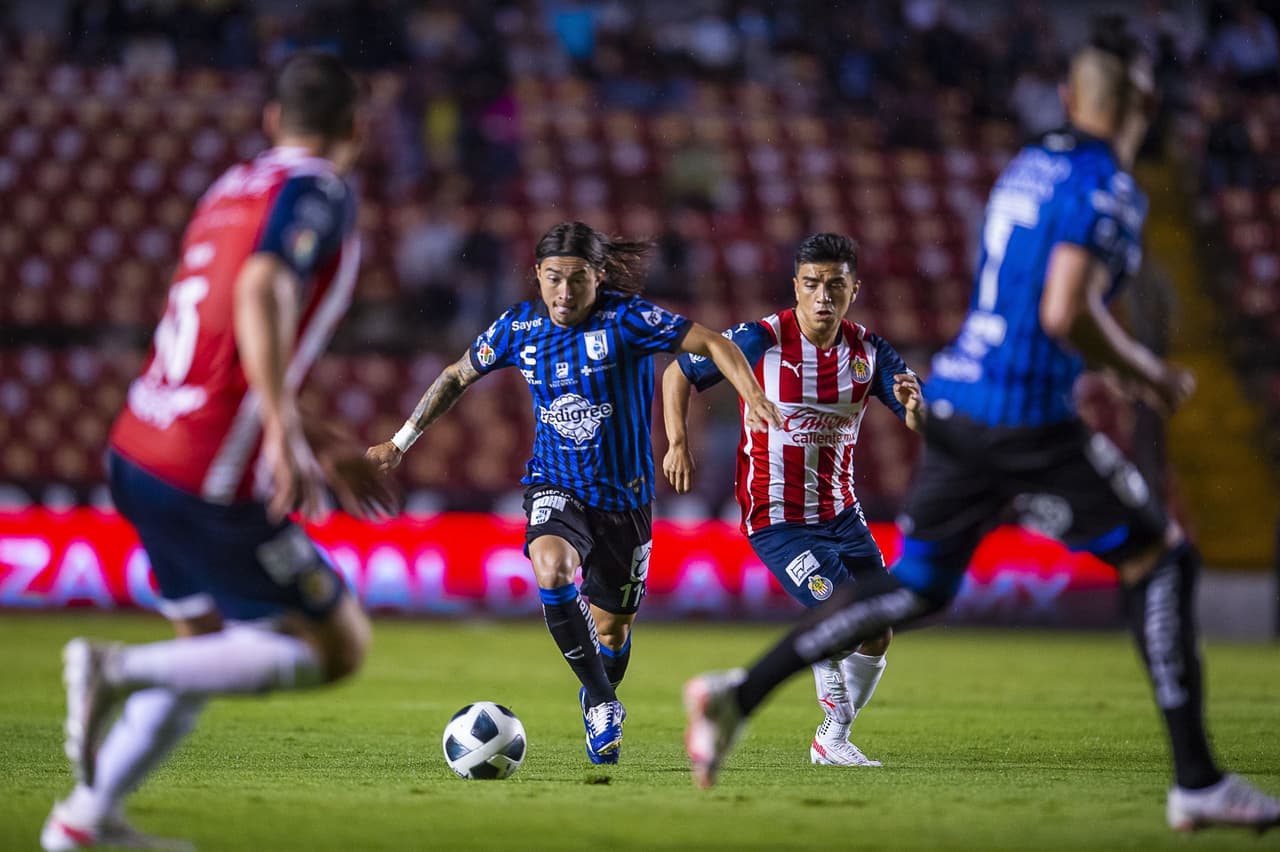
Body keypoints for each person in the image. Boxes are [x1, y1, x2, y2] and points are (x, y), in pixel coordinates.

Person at [682, 18, 1280, 834]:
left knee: (912, 591)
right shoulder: (1108, 187)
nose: (825, 296)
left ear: (1068, 97)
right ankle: (1198, 779)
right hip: (1021, 415)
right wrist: (1143, 371)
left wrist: (922, 402)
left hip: (963, 404)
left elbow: (944, 352)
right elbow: (1064, 309)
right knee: (1161, 558)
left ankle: (738, 696)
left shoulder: (1029, 167)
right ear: (1145, 100)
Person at [41, 52, 397, 852]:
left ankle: (83, 827)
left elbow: (221, 340)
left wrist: (315, 434)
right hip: (208, 468)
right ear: (356, 130)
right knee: (337, 646)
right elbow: (262, 286)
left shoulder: (229, 189)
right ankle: (114, 671)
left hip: (137, 447)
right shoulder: (318, 192)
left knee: (210, 651)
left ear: (273, 120)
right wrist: (278, 427)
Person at [367, 221, 781, 765]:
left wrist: (750, 395)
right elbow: (455, 376)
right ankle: (605, 703)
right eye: (554, 278)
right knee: (552, 569)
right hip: (556, 485)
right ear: (538, 275)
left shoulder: (628, 318)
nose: (565, 292)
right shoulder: (518, 326)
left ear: (599, 276)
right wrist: (400, 442)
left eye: (578, 279)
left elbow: (713, 343)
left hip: (626, 501)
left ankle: (598, 696)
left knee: (612, 629)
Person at [662, 233, 924, 768]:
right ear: (796, 288)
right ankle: (831, 737)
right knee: (836, 612)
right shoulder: (761, 340)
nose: (823, 296)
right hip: (777, 518)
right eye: (812, 285)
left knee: (877, 630)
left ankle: (833, 737)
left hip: (843, 515)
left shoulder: (871, 353)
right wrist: (678, 442)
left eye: (835, 285)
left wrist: (916, 407)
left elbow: (918, 422)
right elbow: (677, 373)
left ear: (855, 288)